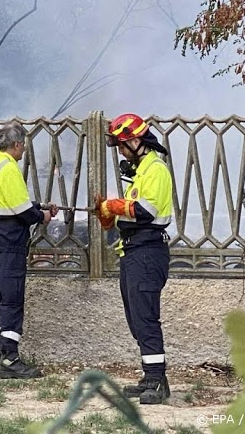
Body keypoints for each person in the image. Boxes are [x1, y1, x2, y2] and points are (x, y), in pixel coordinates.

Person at [94, 112, 174, 405]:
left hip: (147, 252)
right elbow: (125, 219)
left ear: (137, 140)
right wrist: (107, 217)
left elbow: (145, 212)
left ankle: (157, 380)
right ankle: (151, 375)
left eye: (122, 144)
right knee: (136, 320)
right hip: (133, 252)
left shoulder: (155, 170)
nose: (120, 150)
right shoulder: (140, 172)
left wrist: (114, 205)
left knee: (146, 318)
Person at [0, 121, 56, 379]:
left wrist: (36, 206)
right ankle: (10, 359)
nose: (24, 151)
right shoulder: (10, 169)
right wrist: (42, 215)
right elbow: (22, 211)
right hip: (11, 239)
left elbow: (8, 201)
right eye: (23, 146)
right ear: (18, 144)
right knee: (12, 298)